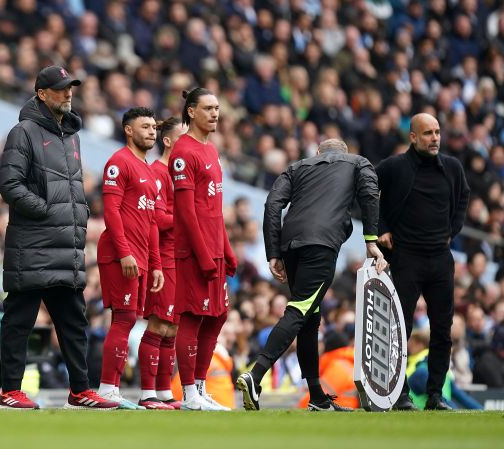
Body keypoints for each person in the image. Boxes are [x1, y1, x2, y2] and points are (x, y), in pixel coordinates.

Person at [0, 65, 117, 410]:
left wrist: (77, 218)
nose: (68, 94)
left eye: (70, 88)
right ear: (41, 93)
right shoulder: (23, 132)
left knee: (73, 322)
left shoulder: (71, 136)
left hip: (65, 246)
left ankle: (80, 390)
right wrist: (48, 211)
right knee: (19, 321)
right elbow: (10, 185)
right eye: (61, 88)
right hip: (32, 244)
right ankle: (9, 392)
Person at [238, 138, 386, 412]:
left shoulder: (297, 167)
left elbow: (272, 205)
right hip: (322, 244)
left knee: (309, 317)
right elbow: (369, 195)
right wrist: (371, 240)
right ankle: (255, 375)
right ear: (345, 152)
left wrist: (274, 252)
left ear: (317, 153)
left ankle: (316, 396)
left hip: (290, 245)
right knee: (299, 310)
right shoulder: (357, 162)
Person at [376, 112, 470, 411]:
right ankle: (399, 394)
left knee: (443, 329)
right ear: (413, 137)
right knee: (398, 329)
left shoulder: (452, 168)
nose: (435, 138)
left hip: (440, 259)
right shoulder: (393, 167)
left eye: (438, 132)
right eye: (428, 133)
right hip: (406, 258)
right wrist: (380, 229)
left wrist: (452, 231)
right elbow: (366, 192)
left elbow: (464, 198)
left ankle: (435, 395)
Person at [169, 88, 237, 411]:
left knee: (218, 316)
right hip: (195, 253)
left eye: (217, 108)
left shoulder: (211, 151)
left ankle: (200, 386)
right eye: (208, 108)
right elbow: (186, 212)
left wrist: (226, 249)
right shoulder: (183, 152)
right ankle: (188, 393)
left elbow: (214, 208)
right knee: (192, 317)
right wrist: (203, 254)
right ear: (191, 111)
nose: (215, 113)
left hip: (214, 250)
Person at [96, 107, 165, 410]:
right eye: (145, 126)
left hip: (140, 258)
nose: (152, 132)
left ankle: (112, 388)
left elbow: (151, 222)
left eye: (154, 127)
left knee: (128, 319)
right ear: (128, 130)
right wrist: (124, 252)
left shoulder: (150, 172)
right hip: (118, 254)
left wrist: (157, 264)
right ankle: (108, 388)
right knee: (123, 319)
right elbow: (110, 212)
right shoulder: (118, 163)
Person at [138, 116, 187, 410]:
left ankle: (164, 391)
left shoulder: (181, 174)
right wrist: (188, 219)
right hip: (164, 257)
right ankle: (147, 393)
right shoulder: (157, 172)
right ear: (167, 140)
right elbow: (155, 218)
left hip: (181, 259)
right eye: (183, 136)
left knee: (172, 329)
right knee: (158, 325)